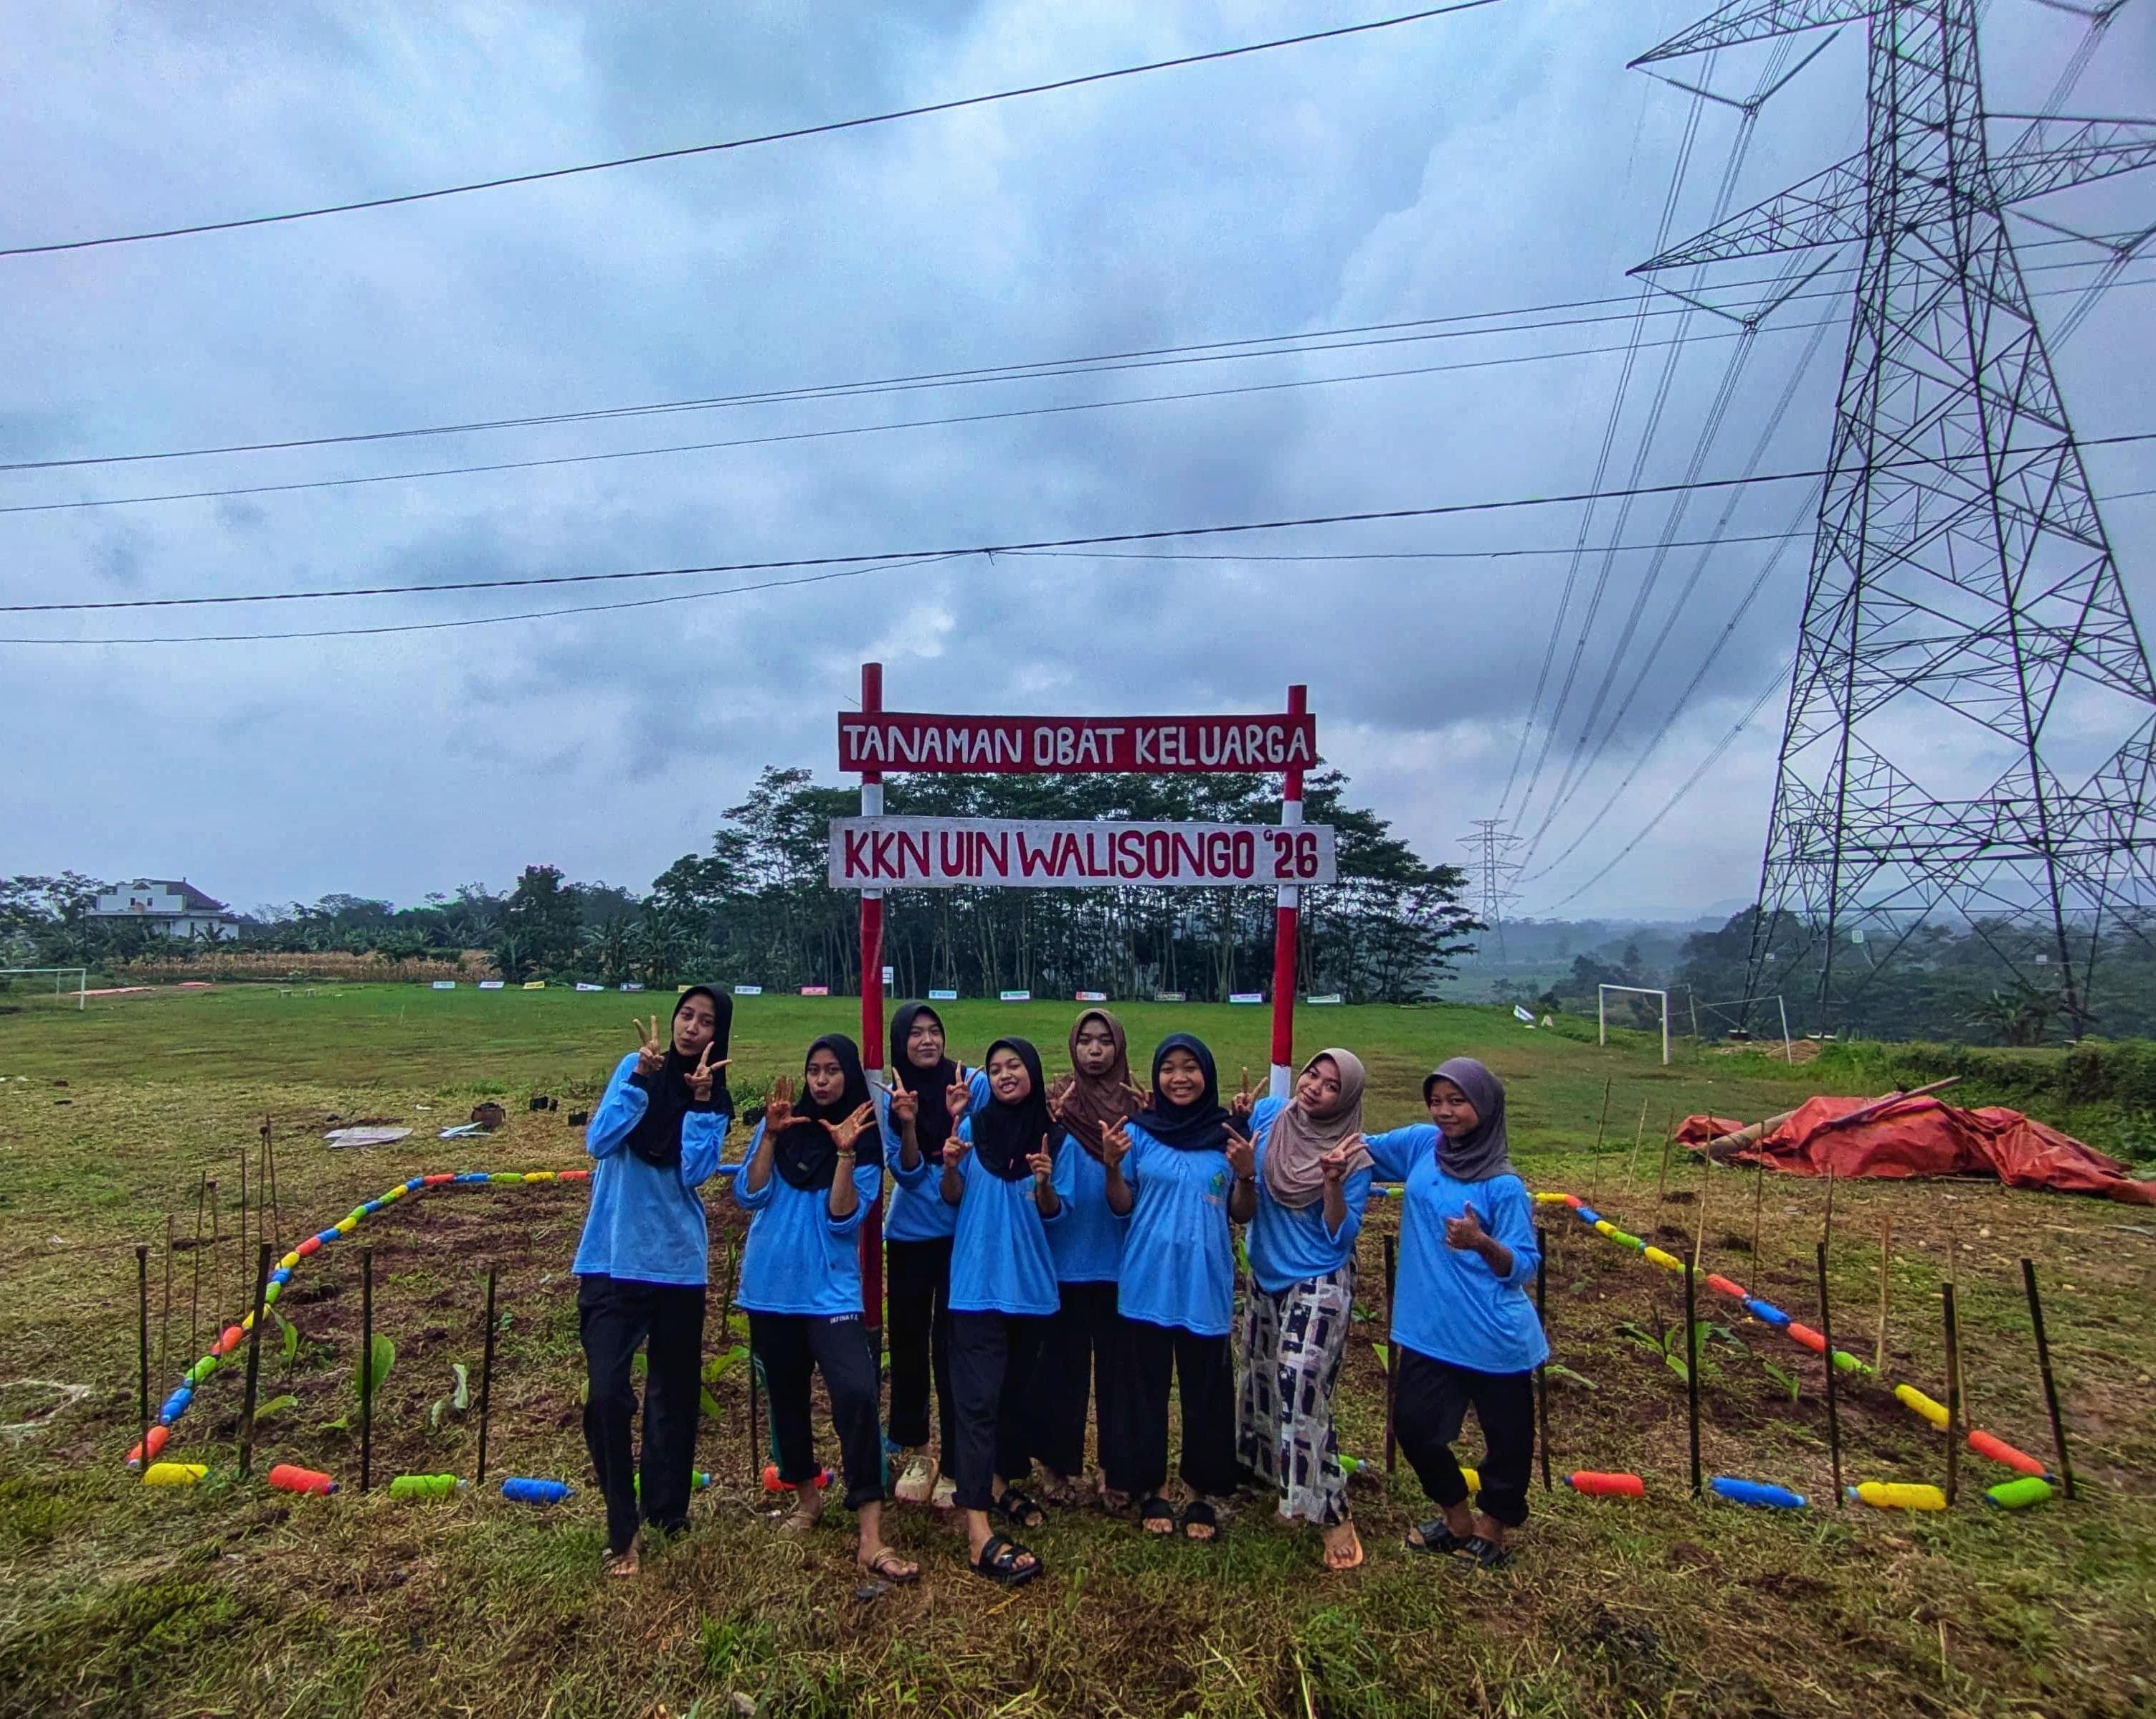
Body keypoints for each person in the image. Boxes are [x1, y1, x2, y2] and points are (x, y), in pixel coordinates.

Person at [733, 1034, 916, 1585]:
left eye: (832, 1070)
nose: (821, 1080)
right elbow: (750, 1192)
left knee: (857, 1394)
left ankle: (869, 1530)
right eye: (813, 1069)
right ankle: (806, 1498)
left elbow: (843, 1219)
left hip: (831, 1295)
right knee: (786, 1398)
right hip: (769, 1288)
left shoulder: (862, 1145)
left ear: (849, 1079)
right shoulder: (782, 1128)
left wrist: (841, 1152)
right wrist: (768, 1134)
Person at [574, 988, 733, 1577]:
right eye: (686, 1016)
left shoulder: (714, 1094)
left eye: (707, 1021)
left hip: (676, 1263)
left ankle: (667, 1512)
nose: (692, 1028)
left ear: (721, 1032)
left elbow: (695, 1172)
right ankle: (623, 1527)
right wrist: (641, 1081)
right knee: (607, 1395)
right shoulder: (636, 1066)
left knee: (673, 1396)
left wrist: (696, 1102)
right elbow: (599, 1141)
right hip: (611, 1259)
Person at [1363, 1056, 1544, 1570]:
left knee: (1506, 1439)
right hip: (1428, 1328)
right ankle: (1454, 1515)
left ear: (1484, 1107)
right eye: (1437, 1100)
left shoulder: (1502, 1185)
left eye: (1457, 1101)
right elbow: (1364, 1150)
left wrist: (1481, 1242)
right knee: (1414, 1427)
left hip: (1492, 1333)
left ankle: (1493, 1526)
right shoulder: (1423, 1146)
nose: (1444, 1112)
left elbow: (1524, 1264)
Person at [1102, 1033, 1255, 1542]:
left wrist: (1246, 1176)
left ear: (1206, 1074)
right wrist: (1109, 1166)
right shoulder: (1141, 1133)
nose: (1179, 1077)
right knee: (1143, 1389)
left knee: (1205, 1390)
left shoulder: (1228, 1132)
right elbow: (1122, 1204)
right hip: (1146, 1275)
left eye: (1190, 1067)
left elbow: (1240, 1212)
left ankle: (1200, 1491)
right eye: (1168, 1067)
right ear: (1157, 1076)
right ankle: (1150, 1486)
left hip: (1204, 1277)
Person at [1237, 1048, 1377, 1571]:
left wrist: (1333, 1182)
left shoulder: (1354, 1154)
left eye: (1330, 1085)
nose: (1314, 1086)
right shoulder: (1271, 1115)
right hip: (1267, 1271)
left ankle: (1334, 1512)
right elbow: (1240, 1156)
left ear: (1347, 1099)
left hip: (1320, 1278)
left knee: (1301, 1385)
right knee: (1263, 1380)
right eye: (1313, 1073)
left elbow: (1340, 1233)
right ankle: (1286, 1490)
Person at [931, 1036, 1063, 1585]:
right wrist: (951, 1161)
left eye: (1014, 1066)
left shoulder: (1053, 1136)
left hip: (1030, 1287)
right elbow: (952, 1195)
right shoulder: (970, 1127)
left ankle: (997, 1484)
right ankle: (978, 1531)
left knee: (1014, 1399)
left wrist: (1044, 1182)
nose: (1005, 1074)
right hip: (976, 1284)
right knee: (978, 1402)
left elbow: (1056, 1213)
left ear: (1032, 1071)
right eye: (995, 1067)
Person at [1035, 1008, 1144, 1508]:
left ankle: (1116, 1468)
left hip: (1120, 1261)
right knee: (1061, 1372)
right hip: (1065, 1260)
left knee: (1120, 1375)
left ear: (1119, 1047)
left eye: (1104, 1041)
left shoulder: (1138, 1108)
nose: (1094, 1050)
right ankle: (1056, 1465)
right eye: (1085, 1040)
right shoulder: (1057, 1107)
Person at [879, 1002, 978, 1507]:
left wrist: (961, 1114)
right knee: (910, 1342)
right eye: (915, 1033)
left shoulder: (969, 1081)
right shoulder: (890, 1094)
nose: (925, 1040)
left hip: (962, 1235)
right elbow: (910, 1175)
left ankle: (958, 1459)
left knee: (954, 1345)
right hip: (911, 1236)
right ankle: (917, 1447)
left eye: (933, 1031)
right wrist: (910, 1122)